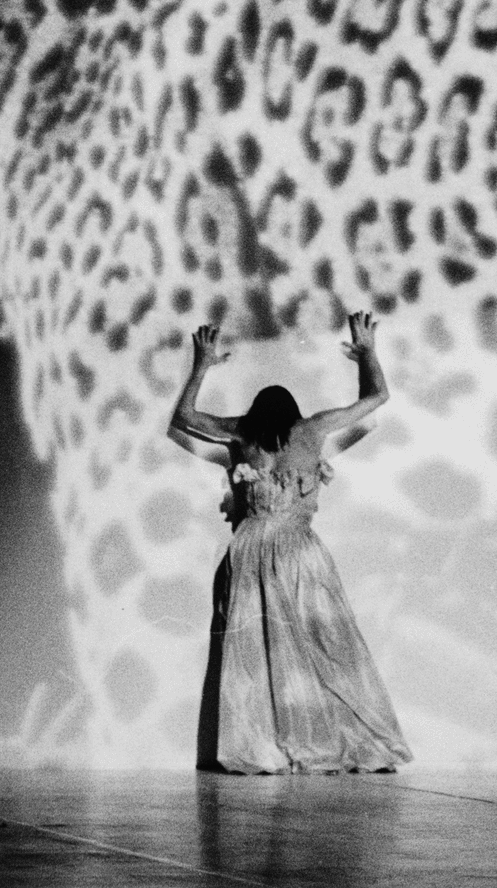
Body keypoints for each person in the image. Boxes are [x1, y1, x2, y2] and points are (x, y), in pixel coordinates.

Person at [171, 312, 413, 774]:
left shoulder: (241, 432)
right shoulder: (312, 430)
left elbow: (183, 418)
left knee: (256, 655)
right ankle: (331, 737)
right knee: (327, 645)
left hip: (250, 552)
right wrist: (366, 352)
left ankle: (265, 741)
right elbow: (377, 396)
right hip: (301, 553)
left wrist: (202, 363)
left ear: (258, 412)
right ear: (293, 412)